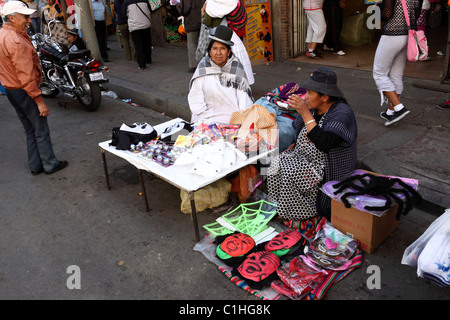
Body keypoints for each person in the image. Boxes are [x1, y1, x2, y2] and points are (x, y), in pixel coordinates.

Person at [267, 67, 357, 223]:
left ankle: (298, 214)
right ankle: (276, 207)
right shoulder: (316, 108)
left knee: (288, 171)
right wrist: (292, 146)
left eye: (310, 93)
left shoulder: (342, 113)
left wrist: (305, 112)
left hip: (323, 168)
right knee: (272, 163)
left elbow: (324, 143)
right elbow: (299, 131)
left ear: (324, 97)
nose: (305, 97)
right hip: (302, 157)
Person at [0, 1, 68, 175]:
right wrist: (39, 101)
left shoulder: (4, 34)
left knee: (30, 129)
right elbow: (26, 75)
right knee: (40, 128)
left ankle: (36, 165)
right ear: (12, 18)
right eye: (25, 16)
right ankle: (50, 164)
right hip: (22, 90)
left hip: (11, 89)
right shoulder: (15, 40)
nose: (29, 20)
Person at [188, 25, 254, 123]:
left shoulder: (236, 68)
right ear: (209, 52)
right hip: (206, 120)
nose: (218, 53)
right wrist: (206, 120)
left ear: (228, 52)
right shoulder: (203, 67)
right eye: (214, 48)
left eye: (223, 48)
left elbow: (244, 102)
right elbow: (195, 99)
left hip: (232, 121)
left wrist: (239, 122)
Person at [373, 0, 422, 126]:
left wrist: (378, 8)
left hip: (392, 35)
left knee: (379, 73)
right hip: (408, 37)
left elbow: (387, 14)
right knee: (396, 75)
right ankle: (390, 112)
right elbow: (416, 15)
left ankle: (399, 108)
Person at [177, 0, 205, 73]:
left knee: (192, 44)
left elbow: (185, 9)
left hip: (191, 21)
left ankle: (193, 65)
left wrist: (178, 7)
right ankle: (202, 63)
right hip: (203, 20)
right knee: (202, 43)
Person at [124, 0, 152, 70]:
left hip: (135, 27)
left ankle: (142, 64)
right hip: (146, 24)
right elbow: (150, 10)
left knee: (138, 45)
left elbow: (123, 14)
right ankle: (148, 59)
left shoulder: (126, 2)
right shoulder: (145, 0)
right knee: (147, 43)